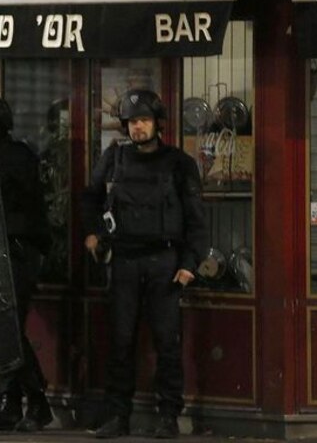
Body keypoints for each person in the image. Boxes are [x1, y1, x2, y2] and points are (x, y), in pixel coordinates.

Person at [81, 89, 208, 439]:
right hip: (124, 259)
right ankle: (118, 415)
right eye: (132, 122)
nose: (137, 127)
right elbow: (90, 198)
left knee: (167, 342)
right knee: (120, 341)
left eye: (144, 120)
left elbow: (197, 218)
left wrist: (190, 263)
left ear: (157, 124)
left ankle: (168, 416)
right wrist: (92, 233)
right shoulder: (114, 158)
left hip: (164, 262)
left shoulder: (179, 163)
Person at [0, 96, 53, 433]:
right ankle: (12, 402)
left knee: (8, 330)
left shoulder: (17, 156)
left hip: (17, 250)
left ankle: (36, 401)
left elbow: (19, 202)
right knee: (0, 330)